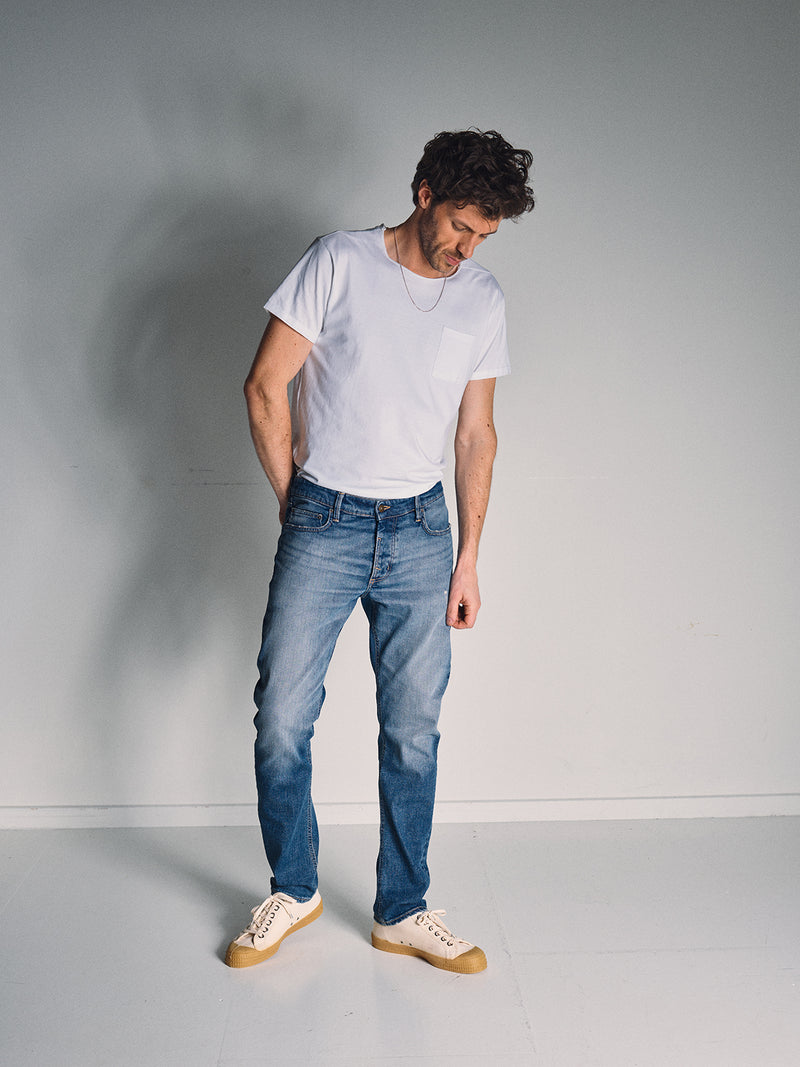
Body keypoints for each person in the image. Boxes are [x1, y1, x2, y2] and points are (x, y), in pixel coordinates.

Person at [225, 129, 534, 974]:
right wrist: (302, 507)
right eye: (463, 226)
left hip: (422, 534)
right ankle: (294, 886)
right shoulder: (339, 262)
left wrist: (469, 558)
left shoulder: (482, 299)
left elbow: (476, 434)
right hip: (324, 515)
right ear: (425, 190)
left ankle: (402, 906)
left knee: (413, 731)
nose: (467, 250)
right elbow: (264, 386)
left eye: (485, 237)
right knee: (282, 719)